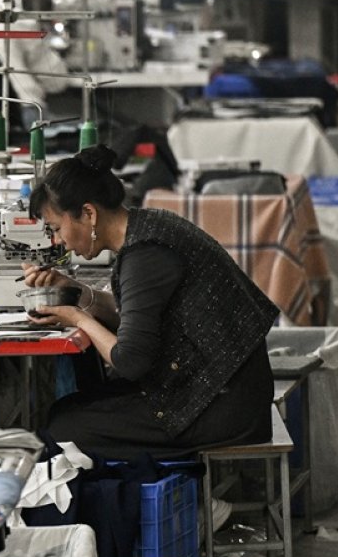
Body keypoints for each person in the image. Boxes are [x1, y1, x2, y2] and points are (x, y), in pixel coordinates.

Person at [22, 145, 278, 460]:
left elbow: (130, 361)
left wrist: (77, 318)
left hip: (221, 406)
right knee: (71, 407)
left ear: (89, 213)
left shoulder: (145, 254)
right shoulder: (147, 225)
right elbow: (134, 312)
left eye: (57, 229)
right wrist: (74, 290)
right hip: (219, 389)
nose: (57, 241)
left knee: (63, 428)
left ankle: (182, 501)